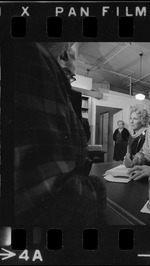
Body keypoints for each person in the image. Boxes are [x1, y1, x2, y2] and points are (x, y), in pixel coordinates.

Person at [13, 42, 107, 226]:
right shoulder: (33, 56)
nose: (68, 84)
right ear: (63, 55)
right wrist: (99, 186)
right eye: (68, 76)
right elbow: (52, 197)